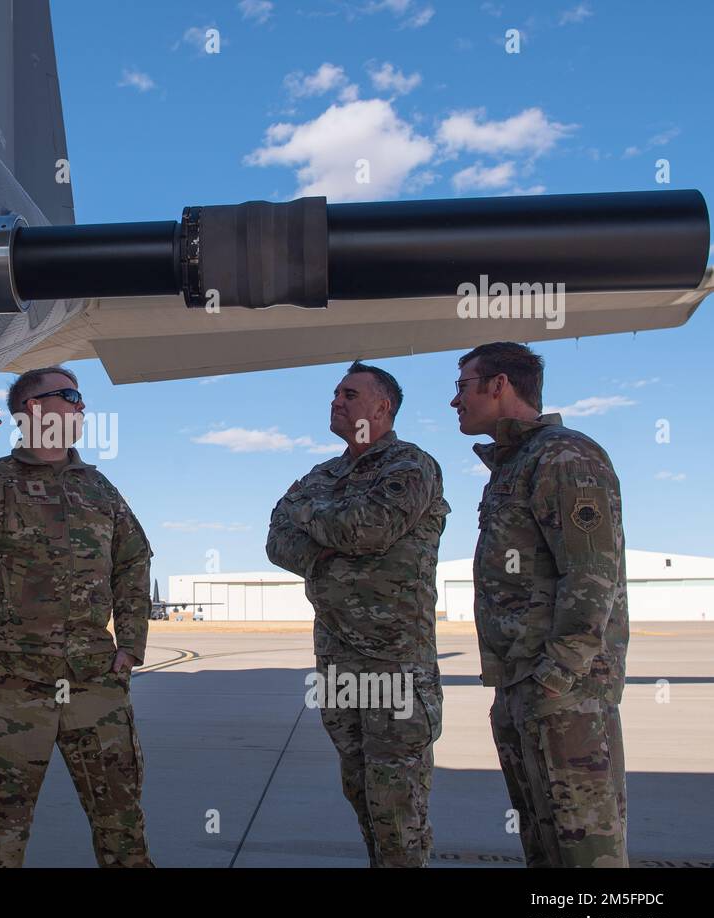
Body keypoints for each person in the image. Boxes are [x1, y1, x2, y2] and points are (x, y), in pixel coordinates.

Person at [0, 365, 154, 867]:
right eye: (69, 396)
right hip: (12, 680)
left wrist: (131, 645)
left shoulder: (99, 488)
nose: (80, 407)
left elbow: (134, 560)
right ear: (32, 409)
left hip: (94, 678)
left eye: (80, 398)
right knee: (5, 817)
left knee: (120, 815)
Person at [452, 341, 628, 867]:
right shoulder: (515, 462)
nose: (454, 402)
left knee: (585, 849)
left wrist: (556, 675)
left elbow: (592, 573)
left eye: (463, 386)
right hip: (522, 685)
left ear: (499, 385)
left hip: (564, 695)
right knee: (544, 845)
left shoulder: (565, 456)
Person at [266, 361, 449, 866]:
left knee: (397, 802)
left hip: (394, 660)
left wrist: (309, 516)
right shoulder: (323, 473)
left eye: (349, 394)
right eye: (335, 393)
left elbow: (367, 528)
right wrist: (319, 545)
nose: (336, 401)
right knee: (360, 788)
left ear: (382, 407)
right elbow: (276, 539)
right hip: (338, 657)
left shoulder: (411, 466)